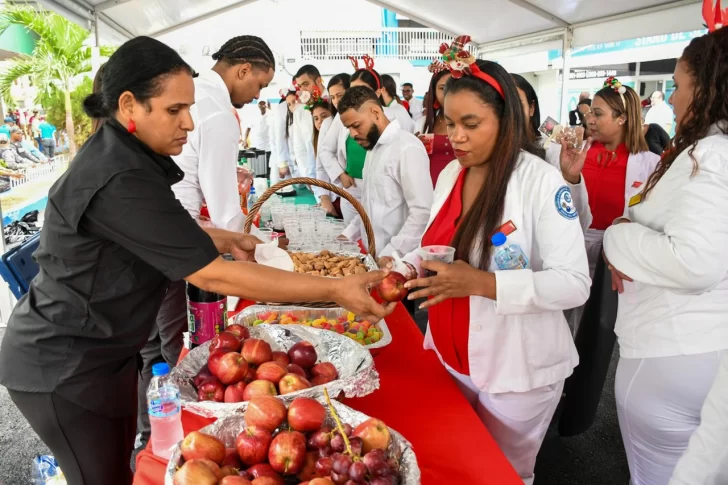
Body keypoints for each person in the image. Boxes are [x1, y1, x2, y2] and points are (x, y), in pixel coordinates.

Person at [0, 36, 394, 485]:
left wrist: (227, 238)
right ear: (129, 105)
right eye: (174, 111)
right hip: (64, 366)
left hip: (100, 355)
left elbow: (163, 229)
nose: (189, 123)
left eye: (188, 108)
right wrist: (334, 289)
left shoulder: (126, 158)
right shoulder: (119, 176)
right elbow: (212, 274)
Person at [387, 50, 590, 485]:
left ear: (506, 120)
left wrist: (482, 283)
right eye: (448, 122)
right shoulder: (450, 176)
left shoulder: (540, 182)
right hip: (451, 356)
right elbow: (433, 246)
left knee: (501, 473)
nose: (456, 137)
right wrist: (400, 269)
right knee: (457, 462)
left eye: (470, 125)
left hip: (516, 369)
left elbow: (574, 284)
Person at [602, 26, 728, 485]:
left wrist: (619, 235)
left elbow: (694, 261)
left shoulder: (712, 154)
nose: (671, 99)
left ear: (710, 88)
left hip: (676, 349)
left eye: (678, 85)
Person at [575, 78, 660, 273]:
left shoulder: (651, 164)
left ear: (621, 118)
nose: (590, 120)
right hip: (572, 243)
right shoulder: (577, 153)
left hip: (618, 255)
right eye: (589, 113)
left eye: (597, 114)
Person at [339, 86, 433, 257]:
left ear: (375, 112)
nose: (352, 134)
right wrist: (346, 236)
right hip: (375, 257)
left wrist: (391, 253)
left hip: (400, 262)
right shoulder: (372, 150)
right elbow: (368, 206)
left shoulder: (407, 147)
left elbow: (422, 213)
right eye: (348, 129)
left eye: (356, 125)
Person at [511, 73, 593, 233]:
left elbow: (580, 223)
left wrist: (571, 178)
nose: (509, 112)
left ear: (531, 108)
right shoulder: (488, 154)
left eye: (516, 104)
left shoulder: (553, 152)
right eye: (500, 105)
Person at [317, 63, 385, 224]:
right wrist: (340, 174)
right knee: (353, 241)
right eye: (353, 91)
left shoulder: (390, 120)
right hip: (352, 189)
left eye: (363, 91)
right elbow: (325, 150)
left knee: (376, 237)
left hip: (380, 191)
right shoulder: (341, 119)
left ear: (378, 93)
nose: (356, 97)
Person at [315, 73, 350, 217]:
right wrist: (324, 196)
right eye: (333, 97)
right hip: (339, 194)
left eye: (340, 95)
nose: (336, 101)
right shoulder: (333, 121)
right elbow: (322, 159)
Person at [414, 63, 453, 186]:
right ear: (434, 92)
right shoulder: (423, 123)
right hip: (428, 188)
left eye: (454, 86)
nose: (448, 93)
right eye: (442, 88)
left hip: (460, 189)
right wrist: (414, 146)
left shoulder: (471, 124)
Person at [292, 64, 326, 181]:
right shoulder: (300, 112)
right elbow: (300, 148)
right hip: (315, 179)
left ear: (318, 81)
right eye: (300, 86)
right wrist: (309, 178)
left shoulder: (334, 103)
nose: (303, 90)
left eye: (306, 84)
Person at [269, 89, 297, 185]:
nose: (292, 106)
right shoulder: (281, 110)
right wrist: (282, 163)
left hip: (291, 160)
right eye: (289, 104)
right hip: (283, 160)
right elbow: (280, 139)